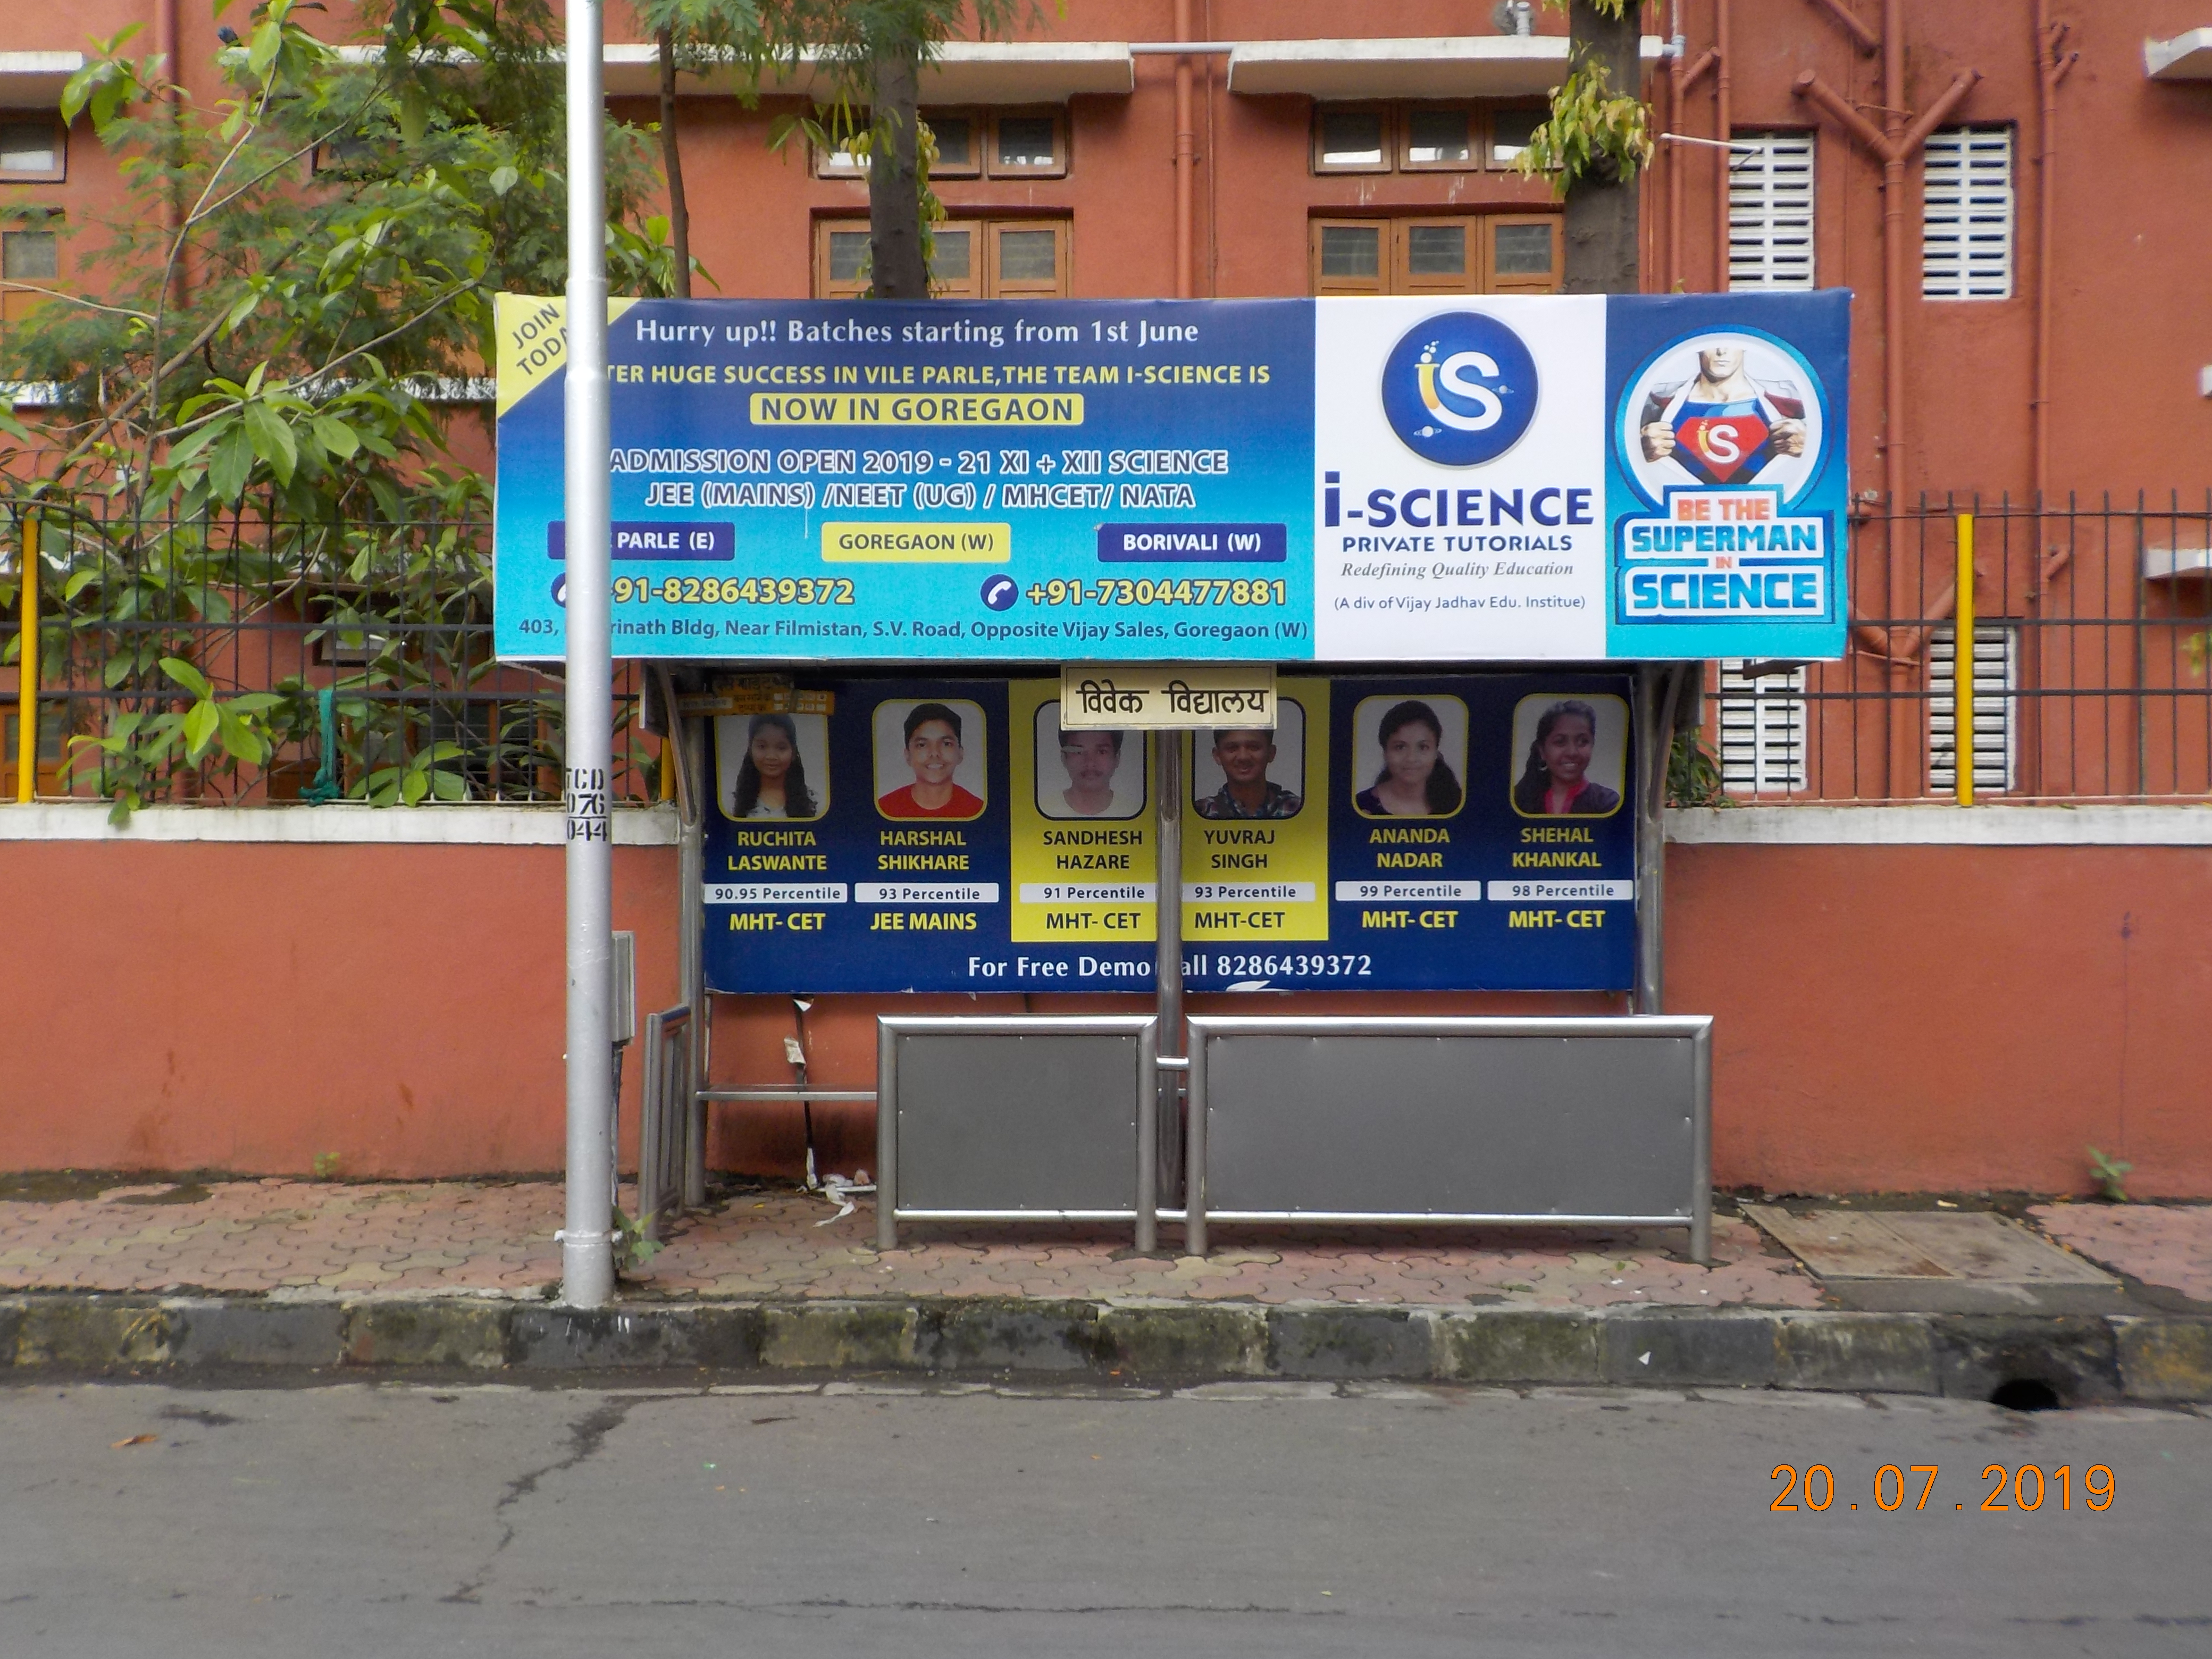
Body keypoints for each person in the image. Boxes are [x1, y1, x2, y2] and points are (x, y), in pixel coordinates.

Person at [1637, 341, 1808, 487]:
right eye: (1711, 344)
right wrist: (1638, 449)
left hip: (1762, 510)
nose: (1721, 351)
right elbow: (1616, 461)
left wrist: (1810, 444)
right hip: (1687, 512)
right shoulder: (1655, 402)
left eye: (1731, 343)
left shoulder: (1793, 400)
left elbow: (1830, 461)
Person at [877, 701, 985, 819]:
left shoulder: (977, 811)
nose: (935, 753)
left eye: (946, 744)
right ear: (908, 755)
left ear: (960, 753)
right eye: (922, 745)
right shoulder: (885, 809)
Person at [1513, 699, 1621, 816]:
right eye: (1560, 742)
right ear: (1542, 751)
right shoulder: (1519, 800)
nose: (1572, 752)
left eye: (1583, 742)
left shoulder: (1607, 803)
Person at [1355, 700, 1463, 817]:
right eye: (1400, 747)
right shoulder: (1360, 807)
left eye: (1423, 747)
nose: (1411, 758)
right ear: (1385, 752)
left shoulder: (1459, 805)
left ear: (1436, 752)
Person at [1195, 726, 1301, 819]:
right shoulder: (1201, 811)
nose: (1243, 757)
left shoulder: (1297, 809)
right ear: (1217, 756)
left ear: (1271, 753)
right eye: (1232, 748)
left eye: (1254, 747)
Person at [1044, 718, 1142, 818]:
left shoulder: (1132, 812)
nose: (1090, 763)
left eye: (1101, 752)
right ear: (1064, 758)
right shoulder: (1046, 810)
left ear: (1117, 757)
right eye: (1079, 752)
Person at [730, 712, 818, 820]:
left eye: (781, 748)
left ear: (794, 753)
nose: (771, 756)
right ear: (750, 750)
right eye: (762, 747)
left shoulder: (814, 802)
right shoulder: (732, 803)